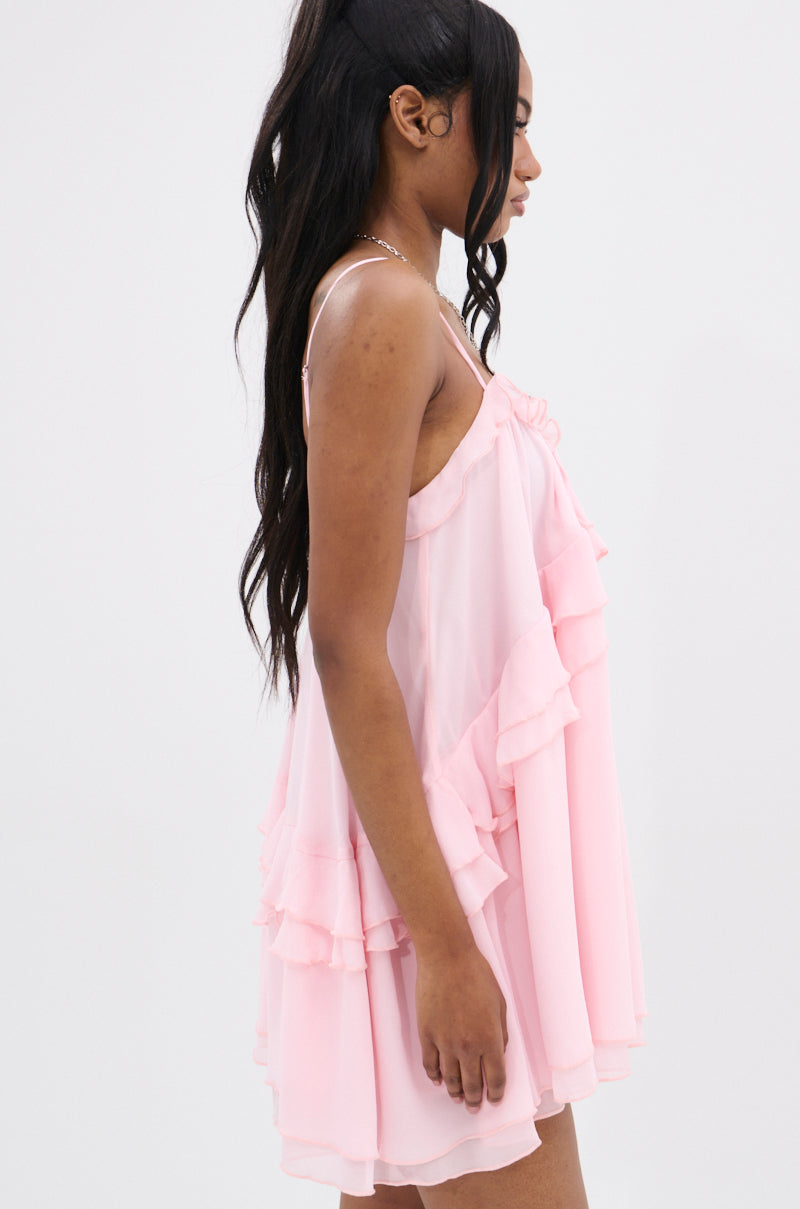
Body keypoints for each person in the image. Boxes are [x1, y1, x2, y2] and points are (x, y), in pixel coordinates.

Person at [235, 1, 648, 1205]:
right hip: (434, 902)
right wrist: (448, 949)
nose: (529, 164)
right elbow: (348, 649)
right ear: (415, 121)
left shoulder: (405, 310)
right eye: (509, 126)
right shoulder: (380, 312)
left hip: (436, 885)